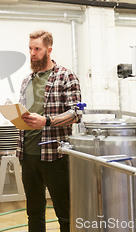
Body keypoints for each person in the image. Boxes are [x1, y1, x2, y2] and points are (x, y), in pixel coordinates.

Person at [18, 30, 81, 232]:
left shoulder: (65, 76)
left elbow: (76, 114)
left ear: (49, 50)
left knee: (65, 213)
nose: (32, 53)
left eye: (37, 49)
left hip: (55, 155)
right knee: (34, 213)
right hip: (28, 155)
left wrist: (46, 121)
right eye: (30, 48)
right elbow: (25, 113)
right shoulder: (27, 80)